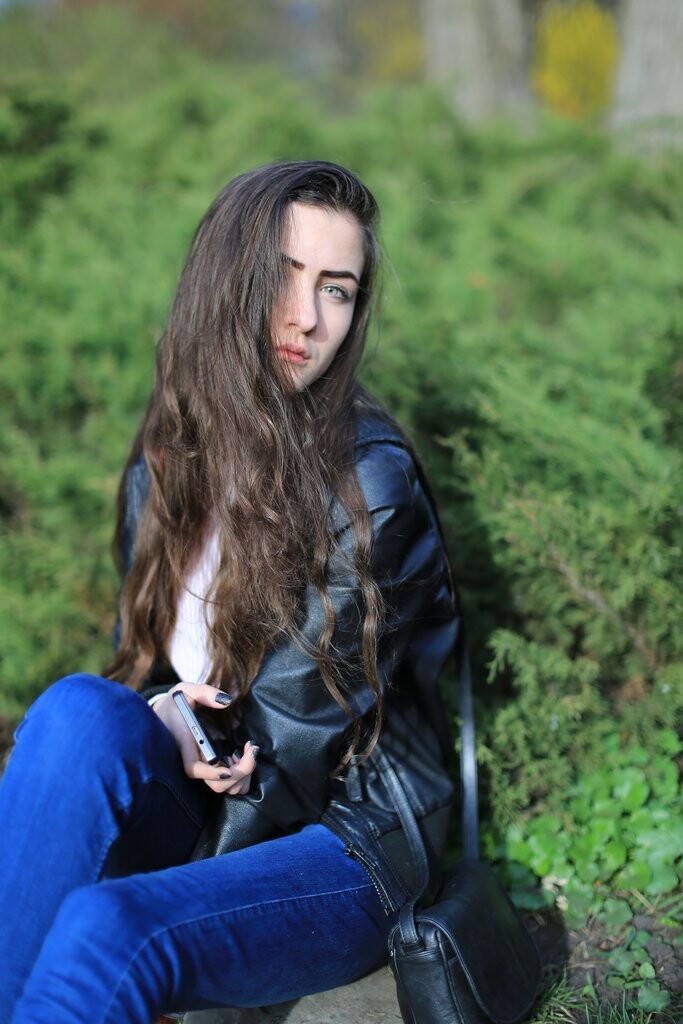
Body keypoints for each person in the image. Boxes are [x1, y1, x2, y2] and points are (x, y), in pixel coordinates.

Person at [0, 160, 458, 1023]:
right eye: (283, 276)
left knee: (109, 928)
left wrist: (148, 885)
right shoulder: (171, 450)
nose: (307, 317)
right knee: (75, 712)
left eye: (336, 289)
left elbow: (287, 765)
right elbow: (147, 668)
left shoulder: (368, 482)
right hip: (212, 795)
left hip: (332, 840)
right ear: (226, 277)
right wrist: (168, 713)